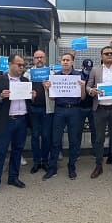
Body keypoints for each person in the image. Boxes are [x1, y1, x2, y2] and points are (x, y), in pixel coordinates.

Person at [0, 54, 35, 197]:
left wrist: (32, 96)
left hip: (22, 119)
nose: (21, 68)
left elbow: (29, 101)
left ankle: (13, 177)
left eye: (23, 65)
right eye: (19, 65)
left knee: (18, 150)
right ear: (10, 64)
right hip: (6, 121)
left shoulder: (25, 80)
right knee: (0, 151)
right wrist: (0, 96)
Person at [86, 46, 112, 179]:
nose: (109, 55)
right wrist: (91, 91)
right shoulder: (95, 70)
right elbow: (88, 85)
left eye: (111, 53)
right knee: (99, 139)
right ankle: (98, 166)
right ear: (101, 56)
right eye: (106, 53)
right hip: (100, 109)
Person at [43, 52, 85, 180]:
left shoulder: (78, 75)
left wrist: (83, 87)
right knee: (55, 140)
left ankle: (71, 167)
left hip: (74, 110)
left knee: (73, 140)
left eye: (67, 60)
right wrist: (47, 88)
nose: (65, 62)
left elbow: (82, 97)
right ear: (61, 62)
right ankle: (52, 168)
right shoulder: (55, 76)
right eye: (63, 60)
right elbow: (51, 97)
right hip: (60, 110)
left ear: (72, 62)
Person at [25, 50, 54, 173]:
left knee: (46, 136)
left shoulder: (51, 73)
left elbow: (59, 91)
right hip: (33, 109)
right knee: (35, 136)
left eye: (41, 57)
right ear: (33, 59)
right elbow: (23, 91)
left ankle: (45, 161)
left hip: (47, 109)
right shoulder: (28, 74)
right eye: (37, 57)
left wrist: (50, 87)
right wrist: (30, 95)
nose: (39, 59)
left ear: (45, 58)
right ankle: (36, 162)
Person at [78, 58, 96, 151]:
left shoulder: (94, 76)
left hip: (92, 107)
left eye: (90, 68)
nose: (88, 70)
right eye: (86, 68)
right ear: (82, 67)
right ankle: (76, 152)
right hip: (80, 107)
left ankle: (95, 151)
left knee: (95, 131)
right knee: (78, 131)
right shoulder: (78, 76)